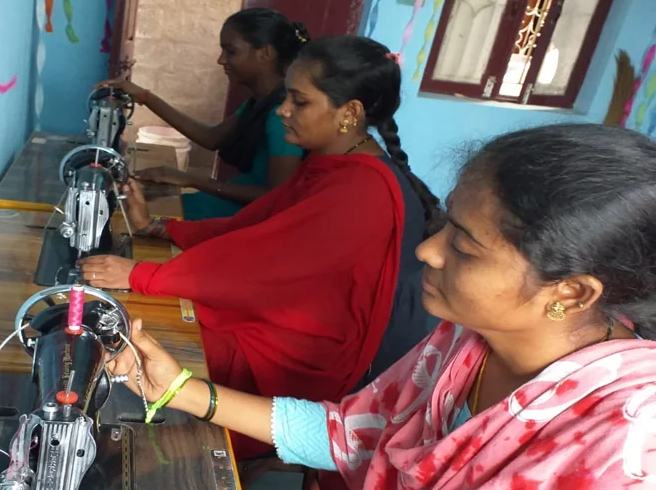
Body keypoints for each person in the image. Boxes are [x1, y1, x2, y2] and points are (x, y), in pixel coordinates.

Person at [104, 123, 656, 490]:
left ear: (571, 293)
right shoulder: (468, 340)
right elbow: (352, 434)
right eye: (446, 227)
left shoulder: (626, 456)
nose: (428, 252)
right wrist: (178, 388)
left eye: (463, 246)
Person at [82, 36, 442, 459]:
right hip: (281, 319)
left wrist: (144, 275)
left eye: (299, 101)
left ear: (350, 113)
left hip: (304, 353)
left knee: (137, 338)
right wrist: (162, 229)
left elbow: (265, 265)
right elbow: (255, 225)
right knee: (145, 325)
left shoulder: (364, 189)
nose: (282, 110)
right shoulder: (334, 165)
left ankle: (162, 461)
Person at [96, 8, 307, 220]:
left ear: (265, 54)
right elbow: (212, 138)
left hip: (238, 219)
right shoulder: (259, 102)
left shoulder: (280, 116)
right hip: (225, 205)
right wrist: (144, 97)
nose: (221, 60)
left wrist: (191, 180)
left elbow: (276, 196)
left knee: (124, 214)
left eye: (231, 51)